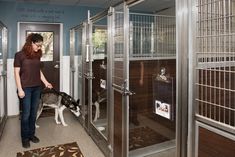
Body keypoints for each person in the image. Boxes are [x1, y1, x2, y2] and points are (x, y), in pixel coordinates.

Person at [14, 33, 52, 148]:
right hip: (25, 88)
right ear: (31, 42)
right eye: (38, 45)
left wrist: (45, 82)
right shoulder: (19, 55)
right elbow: (16, 73)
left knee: (33, 113)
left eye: (41, 46)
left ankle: (31, 134)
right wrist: (20, 89)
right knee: (25, 114)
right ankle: (24, 138)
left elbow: (38, 71)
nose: (39, 48)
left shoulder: (37, 55)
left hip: (37, 88)